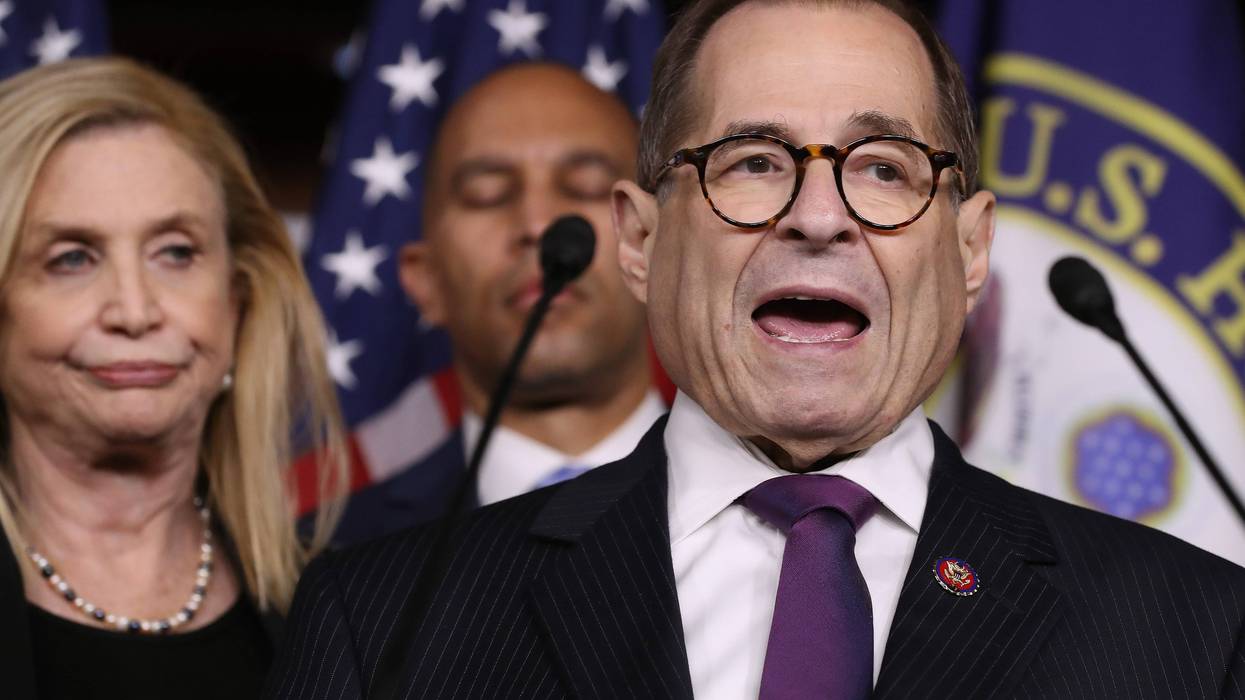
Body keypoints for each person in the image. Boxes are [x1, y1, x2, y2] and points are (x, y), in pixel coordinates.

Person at [267, 1, 1245, 698]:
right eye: (753, 163)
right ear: (641, 240)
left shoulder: (1192, 631)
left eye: (884, 167)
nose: (818, 217)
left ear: (970, 245)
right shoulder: (387, 624)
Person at [0, 58, 347, 700]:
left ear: (237, 299)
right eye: (71, 258)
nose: (135, 310)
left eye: (176, 253)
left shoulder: (347, 614)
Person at [331, 63, 663, 544]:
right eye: (486, 195)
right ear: (426, 281)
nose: (537, 222)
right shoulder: (335, 561)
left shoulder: (791, 511)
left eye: (586, 185)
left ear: (657, 248)